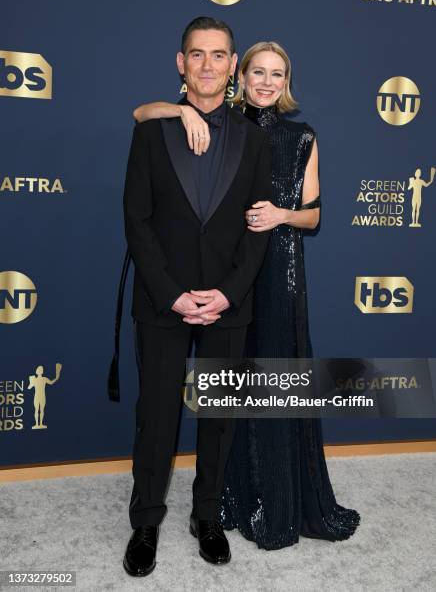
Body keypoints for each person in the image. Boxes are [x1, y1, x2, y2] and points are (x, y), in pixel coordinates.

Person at [133, 41, 360, 550]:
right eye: (258, 71)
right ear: (241, 73)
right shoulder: (214, 114)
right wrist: (178, 108)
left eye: (276, 74)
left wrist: (281, 214)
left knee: (255, 389)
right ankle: (223, 499)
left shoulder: (301, 136)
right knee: (219, 397)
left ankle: (267, 496)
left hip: (274, 269)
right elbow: (144, 113)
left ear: (286, 82)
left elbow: (315, 213)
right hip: (220, 269)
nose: (265, 81)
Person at [119, 18, 271, 576]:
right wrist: (171, 293)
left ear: (233, 66)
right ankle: (145, 522)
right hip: (164, 303)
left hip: (228, 302)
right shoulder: (150, 132)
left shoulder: (257, 140)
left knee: (220, 418)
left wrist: (228, 294)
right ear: (180, 63)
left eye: (219, 55)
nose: (208, 65)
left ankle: (207, 514)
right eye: (197, 55)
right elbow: (136, 221)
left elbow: (259, 227)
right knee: (156, 416)